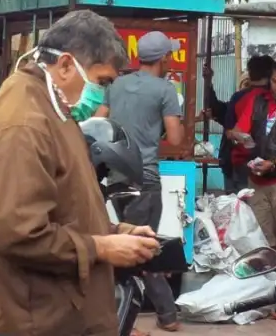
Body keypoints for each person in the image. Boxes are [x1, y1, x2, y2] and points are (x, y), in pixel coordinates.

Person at [0, 10, 161, 336]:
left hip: (63, 313)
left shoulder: (53, 109)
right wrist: (101, 247)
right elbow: (20, 234)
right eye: (102, 82)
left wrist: (114, 231)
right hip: (36, 320)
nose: (102, 94)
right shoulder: (22, 123)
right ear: (67, 65)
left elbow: (63, 205)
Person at [95, 30, 184, 332]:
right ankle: (157, 316)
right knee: (144, 248)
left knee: (129, 245)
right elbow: (175, 137)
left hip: (114, 178)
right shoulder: (164, 89)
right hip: (146, 179)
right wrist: (153, 132)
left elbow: (98, 121)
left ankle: (161, 314)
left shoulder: (117, 84)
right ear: (163, 58)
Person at [231, 58, 276, 266]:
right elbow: (239, 129)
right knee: (262, 241)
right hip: (257, 180)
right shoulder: (258, 100)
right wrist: (238, 136)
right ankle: (268, 283)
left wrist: (274, 163)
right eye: (274, 81)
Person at [216, 55, 275, 192]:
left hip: (239, 161)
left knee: (238, 206)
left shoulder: (239, 97)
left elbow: (230, 131)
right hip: (269, 163)